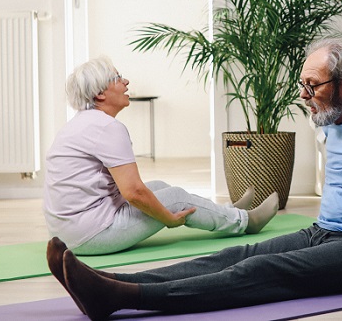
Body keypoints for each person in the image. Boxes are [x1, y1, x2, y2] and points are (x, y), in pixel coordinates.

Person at [47, 41, 342, 321]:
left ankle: (125, 298)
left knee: (259, 271)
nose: (305, 96)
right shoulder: (333, 116)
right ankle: (102, 280)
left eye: (312, 86)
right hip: (329, 234)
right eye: (302, 85)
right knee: (235, 252)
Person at [43, 55, 279, 259]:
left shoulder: (82, 123)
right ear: (100, 93)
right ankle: (246, 222)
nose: (126, 82)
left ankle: (226, 211)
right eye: (117, 78)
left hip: (68, 232)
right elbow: (133, 192)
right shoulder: (106, 127)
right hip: (90, 235)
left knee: (159, 187)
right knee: (175, 198)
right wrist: (169, 219)